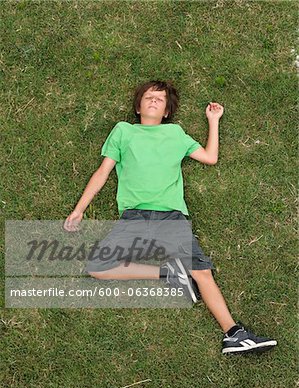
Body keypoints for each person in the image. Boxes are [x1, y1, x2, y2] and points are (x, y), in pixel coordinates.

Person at [64, 80, 277, 355]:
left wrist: (213, 120)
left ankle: (234, 334)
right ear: (138, 106)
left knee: (201, 271)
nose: (153, 101)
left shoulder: (175, 134)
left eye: (160, 99)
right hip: (134, 217)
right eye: (148, 97)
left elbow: (210, 157)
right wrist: (79, 209)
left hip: (171, 218)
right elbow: (103, 172)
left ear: (166, 112)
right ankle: (169, 275)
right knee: (97, 267)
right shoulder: (123, 131)